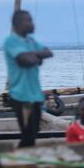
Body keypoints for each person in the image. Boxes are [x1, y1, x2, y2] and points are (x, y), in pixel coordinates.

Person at [4, 10, 53, 147]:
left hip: (35, 96)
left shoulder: (30, 41)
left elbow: (49, 52)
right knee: (28, 135)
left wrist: (32, 55)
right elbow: (25, 60)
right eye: (29, 20)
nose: (32, 24)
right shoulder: (11, 41)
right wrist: (37, 57)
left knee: (34, 132)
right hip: (21, 96)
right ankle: (19, 161)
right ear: (18, 23)